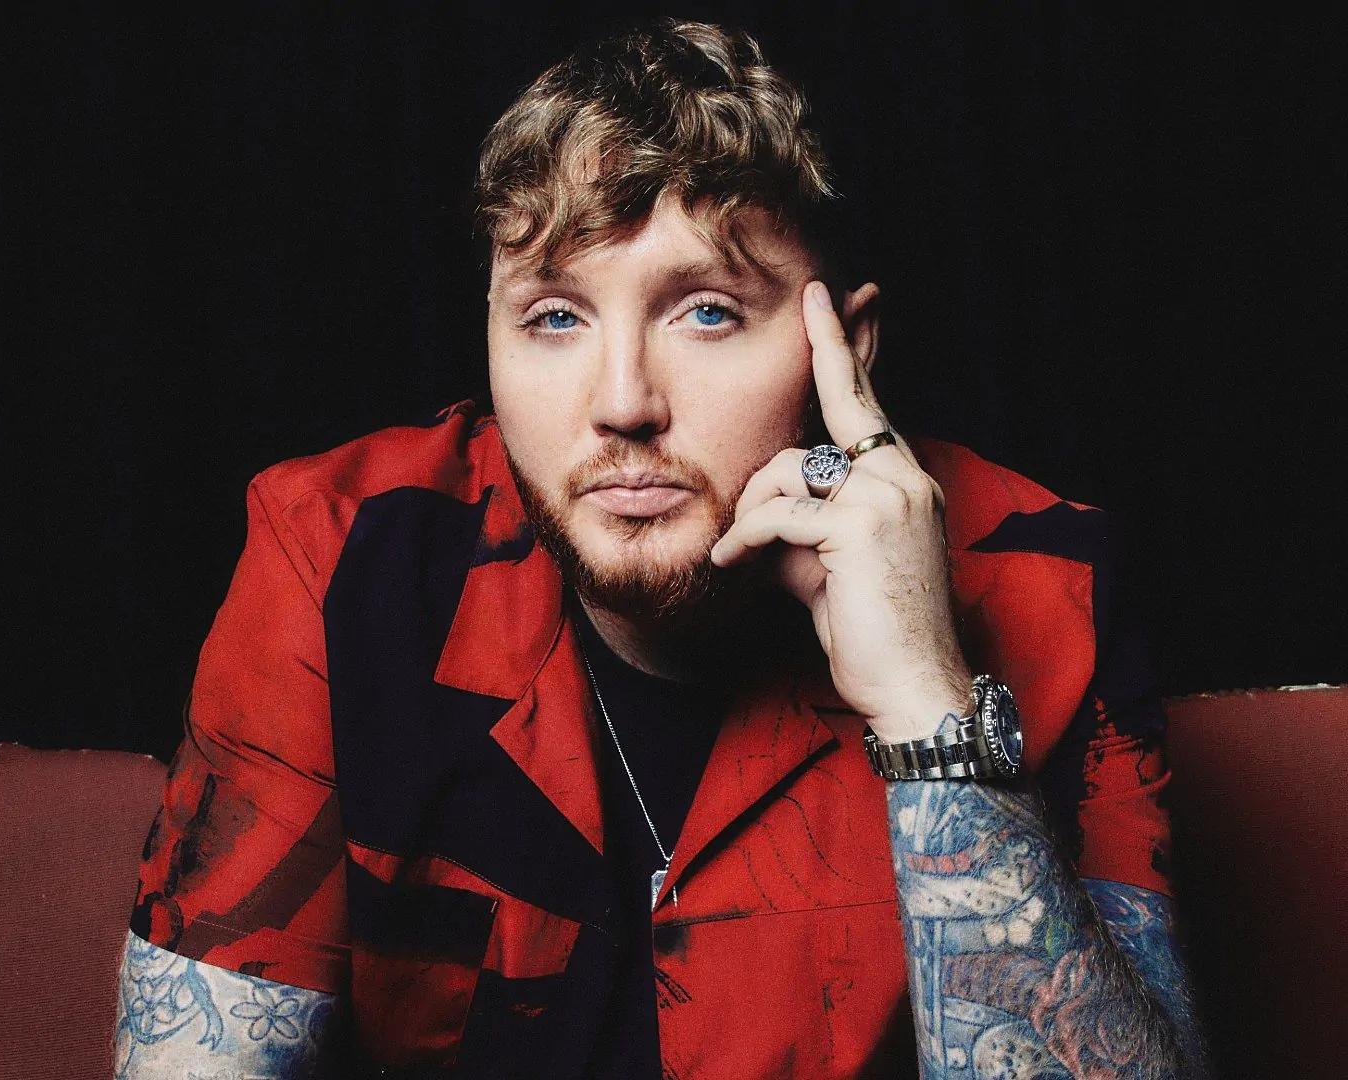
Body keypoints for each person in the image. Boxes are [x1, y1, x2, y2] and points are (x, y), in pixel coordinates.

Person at [113, 18, 1211, 1079]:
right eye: (555, 317)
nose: (624, 403)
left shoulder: (1048, 587)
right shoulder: (339, 555)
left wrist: (929, 703)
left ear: (849, 351)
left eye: (707, 313)